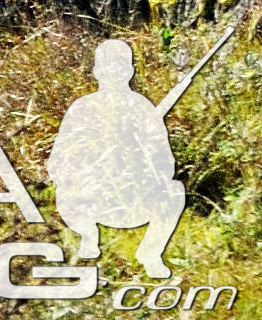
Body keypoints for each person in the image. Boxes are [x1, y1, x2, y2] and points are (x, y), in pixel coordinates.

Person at [47, 39, 183, 281]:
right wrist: (89, 169)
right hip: (92, 201)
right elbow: (57, 163)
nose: (113, 73)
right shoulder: (82, 108)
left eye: (120, 67)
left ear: (130, 71)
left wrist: (138, 160)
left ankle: (150, 254)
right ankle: (88, 235)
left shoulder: (143, 109)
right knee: (64, 191)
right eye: (107, 67)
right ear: (97, 71)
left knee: (174, 191)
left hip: (134, 201)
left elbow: (166, 164)